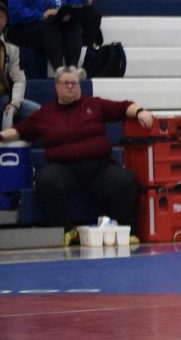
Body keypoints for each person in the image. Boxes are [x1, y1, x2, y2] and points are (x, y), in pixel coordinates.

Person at [0, 66, 153, 231]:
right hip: (63, 169)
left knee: (125, 180)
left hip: (99, 168)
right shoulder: (44, 113)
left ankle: (124, 231)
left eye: (74, 83)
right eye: (66, 83)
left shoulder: (94, 104)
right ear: (57, 86)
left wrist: (140, 112)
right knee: (46, 181)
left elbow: (123, 107)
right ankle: (65, 232)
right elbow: (20, 131)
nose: (71, 86)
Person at [0, 3, 42, 129]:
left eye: (1, 17)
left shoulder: (11, 50)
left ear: (5, 22)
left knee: (40, 112)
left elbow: (19, 79)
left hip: (3, 99)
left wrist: (14, 104)